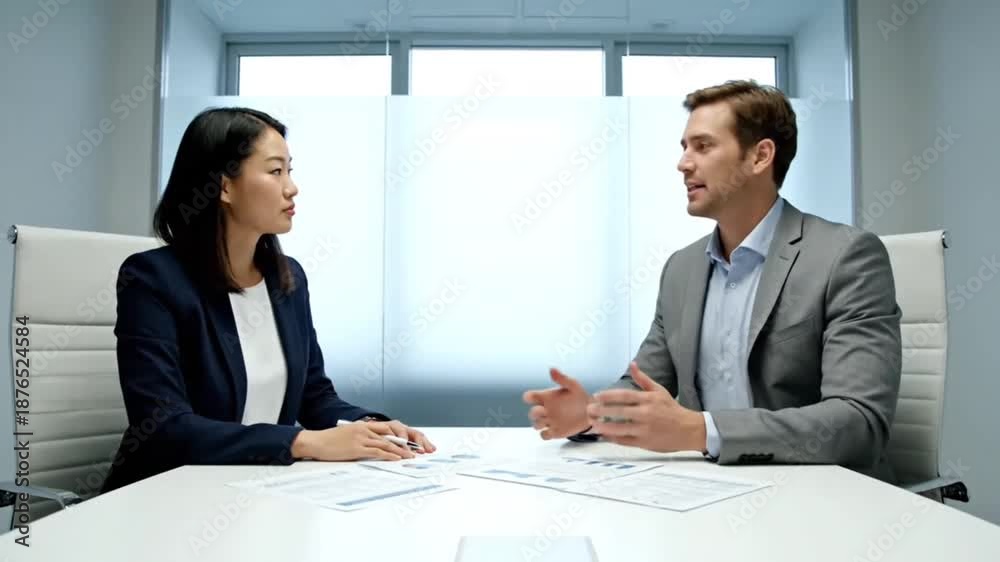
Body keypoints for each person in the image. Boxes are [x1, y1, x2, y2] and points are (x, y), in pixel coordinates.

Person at [523, 80, 902, 482]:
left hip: (814, 493)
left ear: (760, 156)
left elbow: (859, 423)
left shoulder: (845, 256)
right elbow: (649, 383)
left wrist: (698, 430)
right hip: (710, 487)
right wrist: (592, 415)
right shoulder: (682, 269)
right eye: (684, 147)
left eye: (702, 147)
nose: (683, 163)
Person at [102, 107, 435, 493]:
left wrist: (371, 426)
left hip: (251, 489)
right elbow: (164, 428)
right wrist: (302, 442)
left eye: (289, 171)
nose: (291, 187)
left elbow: (315, 398)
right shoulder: (153, 280)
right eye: (275, 171)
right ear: (223, 186)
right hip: (162, 497)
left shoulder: (286, 278)